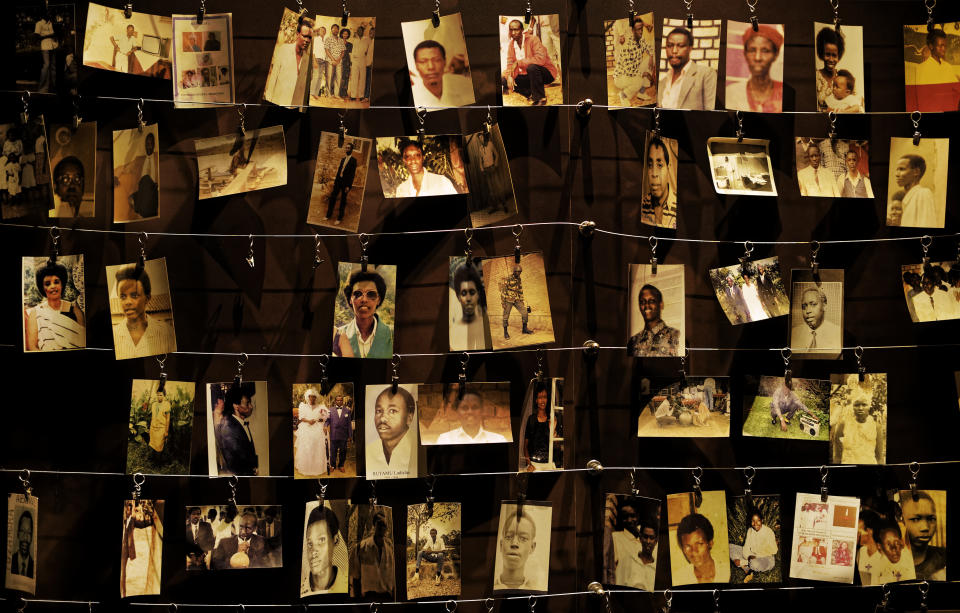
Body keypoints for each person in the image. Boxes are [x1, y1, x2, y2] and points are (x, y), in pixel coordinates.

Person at [111, 265, 175, 358]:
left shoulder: (166, 333)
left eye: (134, 295)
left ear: (147, 298)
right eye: (123, 296)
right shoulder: (114, 335)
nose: (128, 302)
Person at [24, 259, 85, 351]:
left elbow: (82, 342)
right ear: (43, 288)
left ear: (62, 284)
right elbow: (32, 347)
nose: (53, 286)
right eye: (47, 284)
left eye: (56, 282)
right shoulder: (36, 312)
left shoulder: (73, 308)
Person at [333, 268, 393, 358]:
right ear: (350, 299)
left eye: (371, 294)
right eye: (358, 294)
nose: (364, 300)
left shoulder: (392, 334)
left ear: (379, 300)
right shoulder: (337, 337)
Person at [726, 24, 783, 113]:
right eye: (752, 50)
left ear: (776, 55)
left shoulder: (785, 93)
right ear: (745, 54)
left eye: (765, 51)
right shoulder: (731, 93)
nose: (757, 58)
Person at [502, 19, 558, 106]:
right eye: (511, 30)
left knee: (532, 67)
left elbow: (540, 59)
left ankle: (541, 98)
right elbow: (510, 63)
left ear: (522, 30)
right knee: (503, 79)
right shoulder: (511, 45)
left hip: (546, 73)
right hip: (528, 75)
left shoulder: (533, 39)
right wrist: (510, 76)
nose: (513, 33)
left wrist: (519, 62)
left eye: (516, 29)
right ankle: (529, 92)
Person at [658, 27, 716, 110]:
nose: (674, 50)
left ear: (690, 48)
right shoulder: (662, 82)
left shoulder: (706, 74)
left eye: (680, 46)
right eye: (669, 46)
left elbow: (712, 115)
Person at [366, 386, 416, 478]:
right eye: (379, 411)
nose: (382, 418)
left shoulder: (418, 451)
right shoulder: (369, 452)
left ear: (409, 417)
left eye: (392, 411)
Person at [265, 15, 313, 107]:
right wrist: (269, 100)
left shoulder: (307, 59)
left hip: (295, 108)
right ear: (297, 34)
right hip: (277, 104)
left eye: (309, 37)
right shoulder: (284, 49)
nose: (307, 40)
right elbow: (273, 77)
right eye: (305, 36)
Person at [214, 382, 259, 475]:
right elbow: (234, 463)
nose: (251, 406)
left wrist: (255, 467)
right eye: (247, 403)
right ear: (236, 406)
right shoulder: (228, 427)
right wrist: (250, 470)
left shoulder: (239, 423)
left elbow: (248, 451)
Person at [901, 491, 947, 580]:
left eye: (931, 519)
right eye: (915, 519)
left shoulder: (944, 557)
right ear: (901, 521)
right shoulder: (885, 562)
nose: (925, 527)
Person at [610, 502, 657, 590]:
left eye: (632, 516)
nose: (629, 520)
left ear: (638, 516)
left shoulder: (647, 537)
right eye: (625, 517)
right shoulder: (615, 537)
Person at [611, 15, 656, 106]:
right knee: (639, 80)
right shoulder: (628, 46)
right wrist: (644, 74)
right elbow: (629, 71)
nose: (641, 32)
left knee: (650, 61)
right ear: (632, 31)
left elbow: (649, 48)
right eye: (638, 29)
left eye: (641, 29)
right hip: (621, 77)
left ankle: (641, 92)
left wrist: (651, 56)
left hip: (632, 73)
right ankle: (623, 95)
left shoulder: (641, 40)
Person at [674, 513, 729, 584]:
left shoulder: (727, 573)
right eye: (688, 546)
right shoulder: (679, 579)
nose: (694, 551)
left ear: (710, 543)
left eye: (700, 544)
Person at [303, 504, 346, 594]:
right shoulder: (302, 589)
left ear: (335, 540)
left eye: (321, 540)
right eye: (310, 544)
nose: (313, 551)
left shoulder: (347, 587)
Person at [914, 29, 960, 112]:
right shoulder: (922, 69)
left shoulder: (948, 67)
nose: (944, 49)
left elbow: (957, 89)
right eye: (940, 45)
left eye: (945, 46)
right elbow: (922, 102)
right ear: (931, 46)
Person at [436, 390, 507, 444]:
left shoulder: (498, 439)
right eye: (464, 407)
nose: (470, 412)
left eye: (475, 407)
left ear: (482, 410)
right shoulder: (445, 439)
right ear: (457, 412)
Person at [628, 284, 680, 357]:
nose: (646, 305)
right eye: (642, 302)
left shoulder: (675, 335)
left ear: (661, 305)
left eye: (651, 301)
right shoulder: (633, 341)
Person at [391, 140, 458, 197]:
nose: (413, 160)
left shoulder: (442, 181)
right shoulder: (401, 190)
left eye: (417, 155)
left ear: (423, 157)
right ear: (404, 160)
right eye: (408, 156)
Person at [494, 509, 540, 590]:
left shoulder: (536, 588)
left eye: (523, 538)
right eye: (508, 537)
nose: (514, 544)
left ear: (532, 547)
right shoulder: (487, 585)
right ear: (501, 545)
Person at [729, 509, 778, 582]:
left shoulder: (768, 532)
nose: (755, 524)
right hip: (751, 555)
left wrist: (743, 562)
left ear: (762, 520)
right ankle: (748, 570)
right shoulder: (750, 531)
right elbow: (746, 547)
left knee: (754, 564)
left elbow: (774, 550)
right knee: (730, 547)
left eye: (758, 520)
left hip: (766, 559)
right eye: (753, 521)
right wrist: (747, 557)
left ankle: (746, 565)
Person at [449, 263, 488, 350]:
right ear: (458, 297)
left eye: (472, 292)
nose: (468, 298)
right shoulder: (452, 331)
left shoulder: (486, 327)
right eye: (464, 293)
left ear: (478, 294)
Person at [641, 137, 677, 228]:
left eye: (660, 165)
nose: (654, 174)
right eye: (650, 165)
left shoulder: (677, 205)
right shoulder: (643, 205)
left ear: (668, 168)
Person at [358, 510, 395, 598]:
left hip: (385, 595)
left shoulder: (389, 549)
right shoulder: (363, 546)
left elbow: (392, 576)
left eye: (384, 525)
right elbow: (356, 575)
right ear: (374, 524)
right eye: (379, 524)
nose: (382, 527)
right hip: (368, 595)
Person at [893, 154, 937, 227]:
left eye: (902, 169)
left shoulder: (923, 194)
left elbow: (927, 226)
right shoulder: (907, 199)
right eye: (897, 169)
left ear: (916, 172)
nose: (896, 174)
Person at [792, 287, 841, 352]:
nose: (807, 311)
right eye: (804, 306)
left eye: (813, 304)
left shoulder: (838, 333)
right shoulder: (793, 333)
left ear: (824, 306)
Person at [295, 388, 330, 476]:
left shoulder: (321, 406)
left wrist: (319, 419)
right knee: (307, 447)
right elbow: (301, 417)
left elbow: (326, 417)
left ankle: (317, 467)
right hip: (306, 428)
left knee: (317, 447)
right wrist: (308, 421)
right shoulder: (303, 406)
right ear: (308, 397)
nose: (312, 398)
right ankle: (306, 467)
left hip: (317, 428)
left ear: (316, 398)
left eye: (314, 397)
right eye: (310, 397)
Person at [323, 142, 358, 225]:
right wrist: (335, 182)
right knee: (332, 198)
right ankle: (328, 215)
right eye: (346, 148)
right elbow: (339, 171)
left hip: (345, 184)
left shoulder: (353, 160)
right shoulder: (343, 159)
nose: (347, 149)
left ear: (351, 150)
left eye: (348, 148)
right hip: (338, 181)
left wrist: (348, 186)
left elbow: (352, 174)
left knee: (343, 200)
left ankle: (339, 218)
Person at [128, 131, 159, 219]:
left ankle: (143, 210)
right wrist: (116, 176)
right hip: (141, 191)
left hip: (153, 192)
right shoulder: (139, 160)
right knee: (131, 197)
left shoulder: (158, 158)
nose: (149, 147)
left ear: (154, 145)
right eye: (147, 144)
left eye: (151, 144)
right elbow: (125, 168)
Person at [501, 262, 534, 339]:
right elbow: (503, 290)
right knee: (506, 316)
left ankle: (524, 329)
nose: (518, 273)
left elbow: (520, 289)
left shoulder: (519, 279)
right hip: (508, 300)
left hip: (516, 299)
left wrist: (521, 299)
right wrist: (503, 302)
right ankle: (505, 332)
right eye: (517, 272)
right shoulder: (508, 278)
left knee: (525, 312)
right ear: (514, 271)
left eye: (520, 272)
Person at [523, 382, 551, 470]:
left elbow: (556, 444)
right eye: (540, 397)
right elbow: (525, 446)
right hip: (534, 464)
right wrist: (529, 464)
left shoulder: (552, 418)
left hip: (549, 463)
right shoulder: (531, 419)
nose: (543, 401)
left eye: (545, 397)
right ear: (536, 400)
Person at [815, 27, 844, 111]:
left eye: (834, 55)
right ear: (821, 54)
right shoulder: (816, 76)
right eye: (827, 54)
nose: (831, 60)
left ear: (839, 56)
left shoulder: (842, 77)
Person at [857, 510, 884, 584]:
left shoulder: (884, 555)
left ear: (869, 531)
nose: (857, 534)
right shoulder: (861, 552)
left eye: (859, 530)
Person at [327, 394, 353, 473]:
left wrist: (350, 435)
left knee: (343, 451)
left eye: (341, 400)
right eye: (338, 400)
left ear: (343, 401)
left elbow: (349, 424)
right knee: (333, 451)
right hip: (333, 434)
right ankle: (333, 465)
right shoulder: (330, 410)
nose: (339, 401)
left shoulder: (347, 410)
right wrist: (325, 426)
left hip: (343, 435)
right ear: (335, 401)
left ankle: (341, 465)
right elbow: (327, 421)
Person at [34, 13, 57, 92]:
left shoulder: (50, 23)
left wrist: (52, 36)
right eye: (47, 13)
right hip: (45, 46)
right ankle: (42, 88)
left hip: (52, 46)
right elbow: (36, 36)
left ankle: (52, 87)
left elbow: (53, 34)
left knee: (52, 67)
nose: (49, 15)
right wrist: (48, 35)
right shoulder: (39, 23)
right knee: (46, 66)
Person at [147, 388, 171, 461]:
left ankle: (158, 462)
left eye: (161, 395)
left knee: (159, 446)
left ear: (164, 395)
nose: (159, 397)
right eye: (158, 395)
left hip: (161, 428)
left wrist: (166, 431)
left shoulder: (167, 404)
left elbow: (168, 419)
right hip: (153, 427)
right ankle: (153, 459)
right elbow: (152, 417)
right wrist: (150, 428)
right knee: (153, 444)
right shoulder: (154, 404)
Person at [347, 26, 370, 100]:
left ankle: (361, 96)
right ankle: (353, 96)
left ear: (363, 31)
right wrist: (352, 60)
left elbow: (369, 49)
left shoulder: (366, 39)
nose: (359, 31)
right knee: (354, 78)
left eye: (360, 30)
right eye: (358, 30)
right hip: (355, 60)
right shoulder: (354, 39)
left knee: (362, 78)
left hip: (363, 60)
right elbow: (351, 50)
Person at [324, 24, 346, 98]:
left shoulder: (341, 40)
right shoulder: (328, 39)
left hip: (339, 61)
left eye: (337, 29)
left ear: (338, 30)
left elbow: (343, 51)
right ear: (331, 30)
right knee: (329, 77)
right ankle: (329, 94)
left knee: (338, 77)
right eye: (334, 28)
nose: (335, 30)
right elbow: (326, 50)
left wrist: (339, 59)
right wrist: (333, 59)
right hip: (330, 61)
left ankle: (337, 94)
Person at [11, 512, 34, 578]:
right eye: (22, 531)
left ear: (32, 537)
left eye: (29, 532)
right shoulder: (10, 561)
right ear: (18, 534)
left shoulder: (33, 565)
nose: (25, 537)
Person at [310, 25, 328, 97]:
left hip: (323, 61)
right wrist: (314, 61)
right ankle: (311, 93)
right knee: (316, 76)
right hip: (316, 59)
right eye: (321, 30)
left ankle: (316, 93)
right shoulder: (316, 39)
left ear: (325, 32)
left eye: (324, 31)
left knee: (320, 77)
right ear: (319, 31)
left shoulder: (325, 41)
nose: (323, 31)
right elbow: (313, 51)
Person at [337, 28, 353, 98]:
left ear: (348, 35)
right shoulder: (338, 42)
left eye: (346, 34)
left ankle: (344, 92)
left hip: (347, 62)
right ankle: (339, 92)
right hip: (339, 61)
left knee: (346, 77)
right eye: (344, 33)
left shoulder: (350, 44)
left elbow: (350, 54)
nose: (345, 35)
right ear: (341, 34)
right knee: (339, 77)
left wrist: (351, 63)